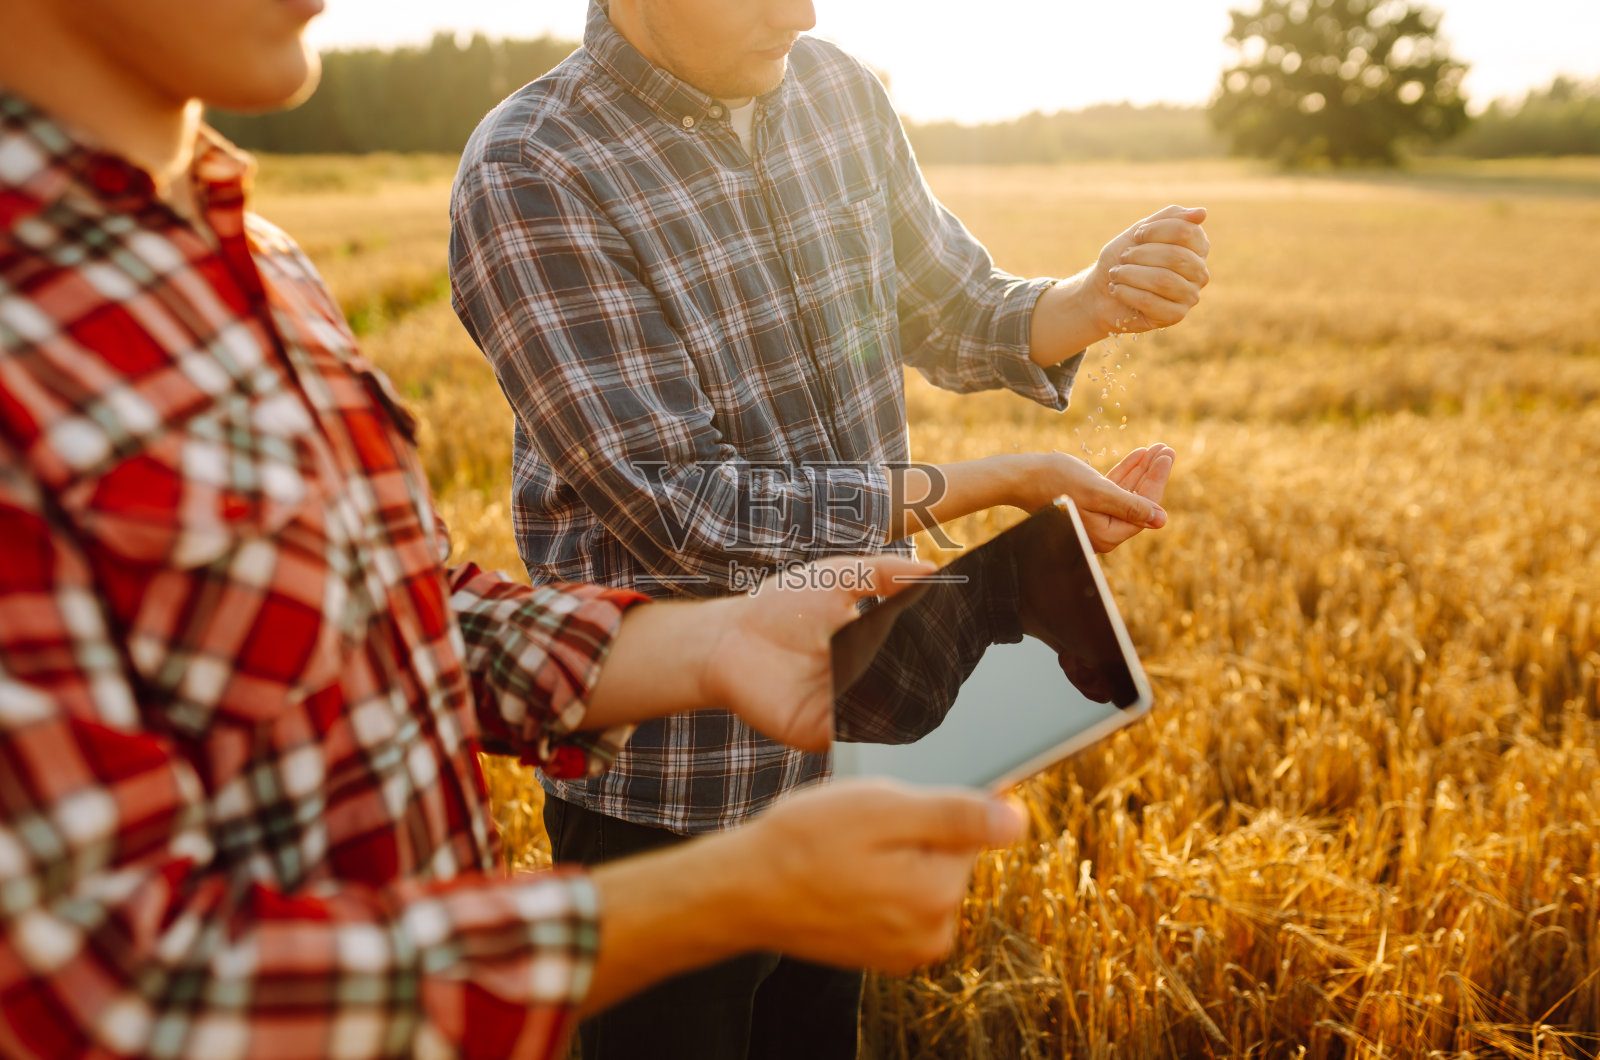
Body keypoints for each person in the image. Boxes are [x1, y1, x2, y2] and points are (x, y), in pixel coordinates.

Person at [0, 2, 1031, 1059]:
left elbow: (385, 625)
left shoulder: (248, 252)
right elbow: (108, 997)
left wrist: (712, 644)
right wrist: (723, 896)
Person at [448, 0, 1208, 1054]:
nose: (801, 13)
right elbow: (683, 506)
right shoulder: (535, 167)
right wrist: (989, 482)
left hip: (852, 737)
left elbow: (950, 305)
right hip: (669, 783)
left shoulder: (832, 86)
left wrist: (1095, 293)